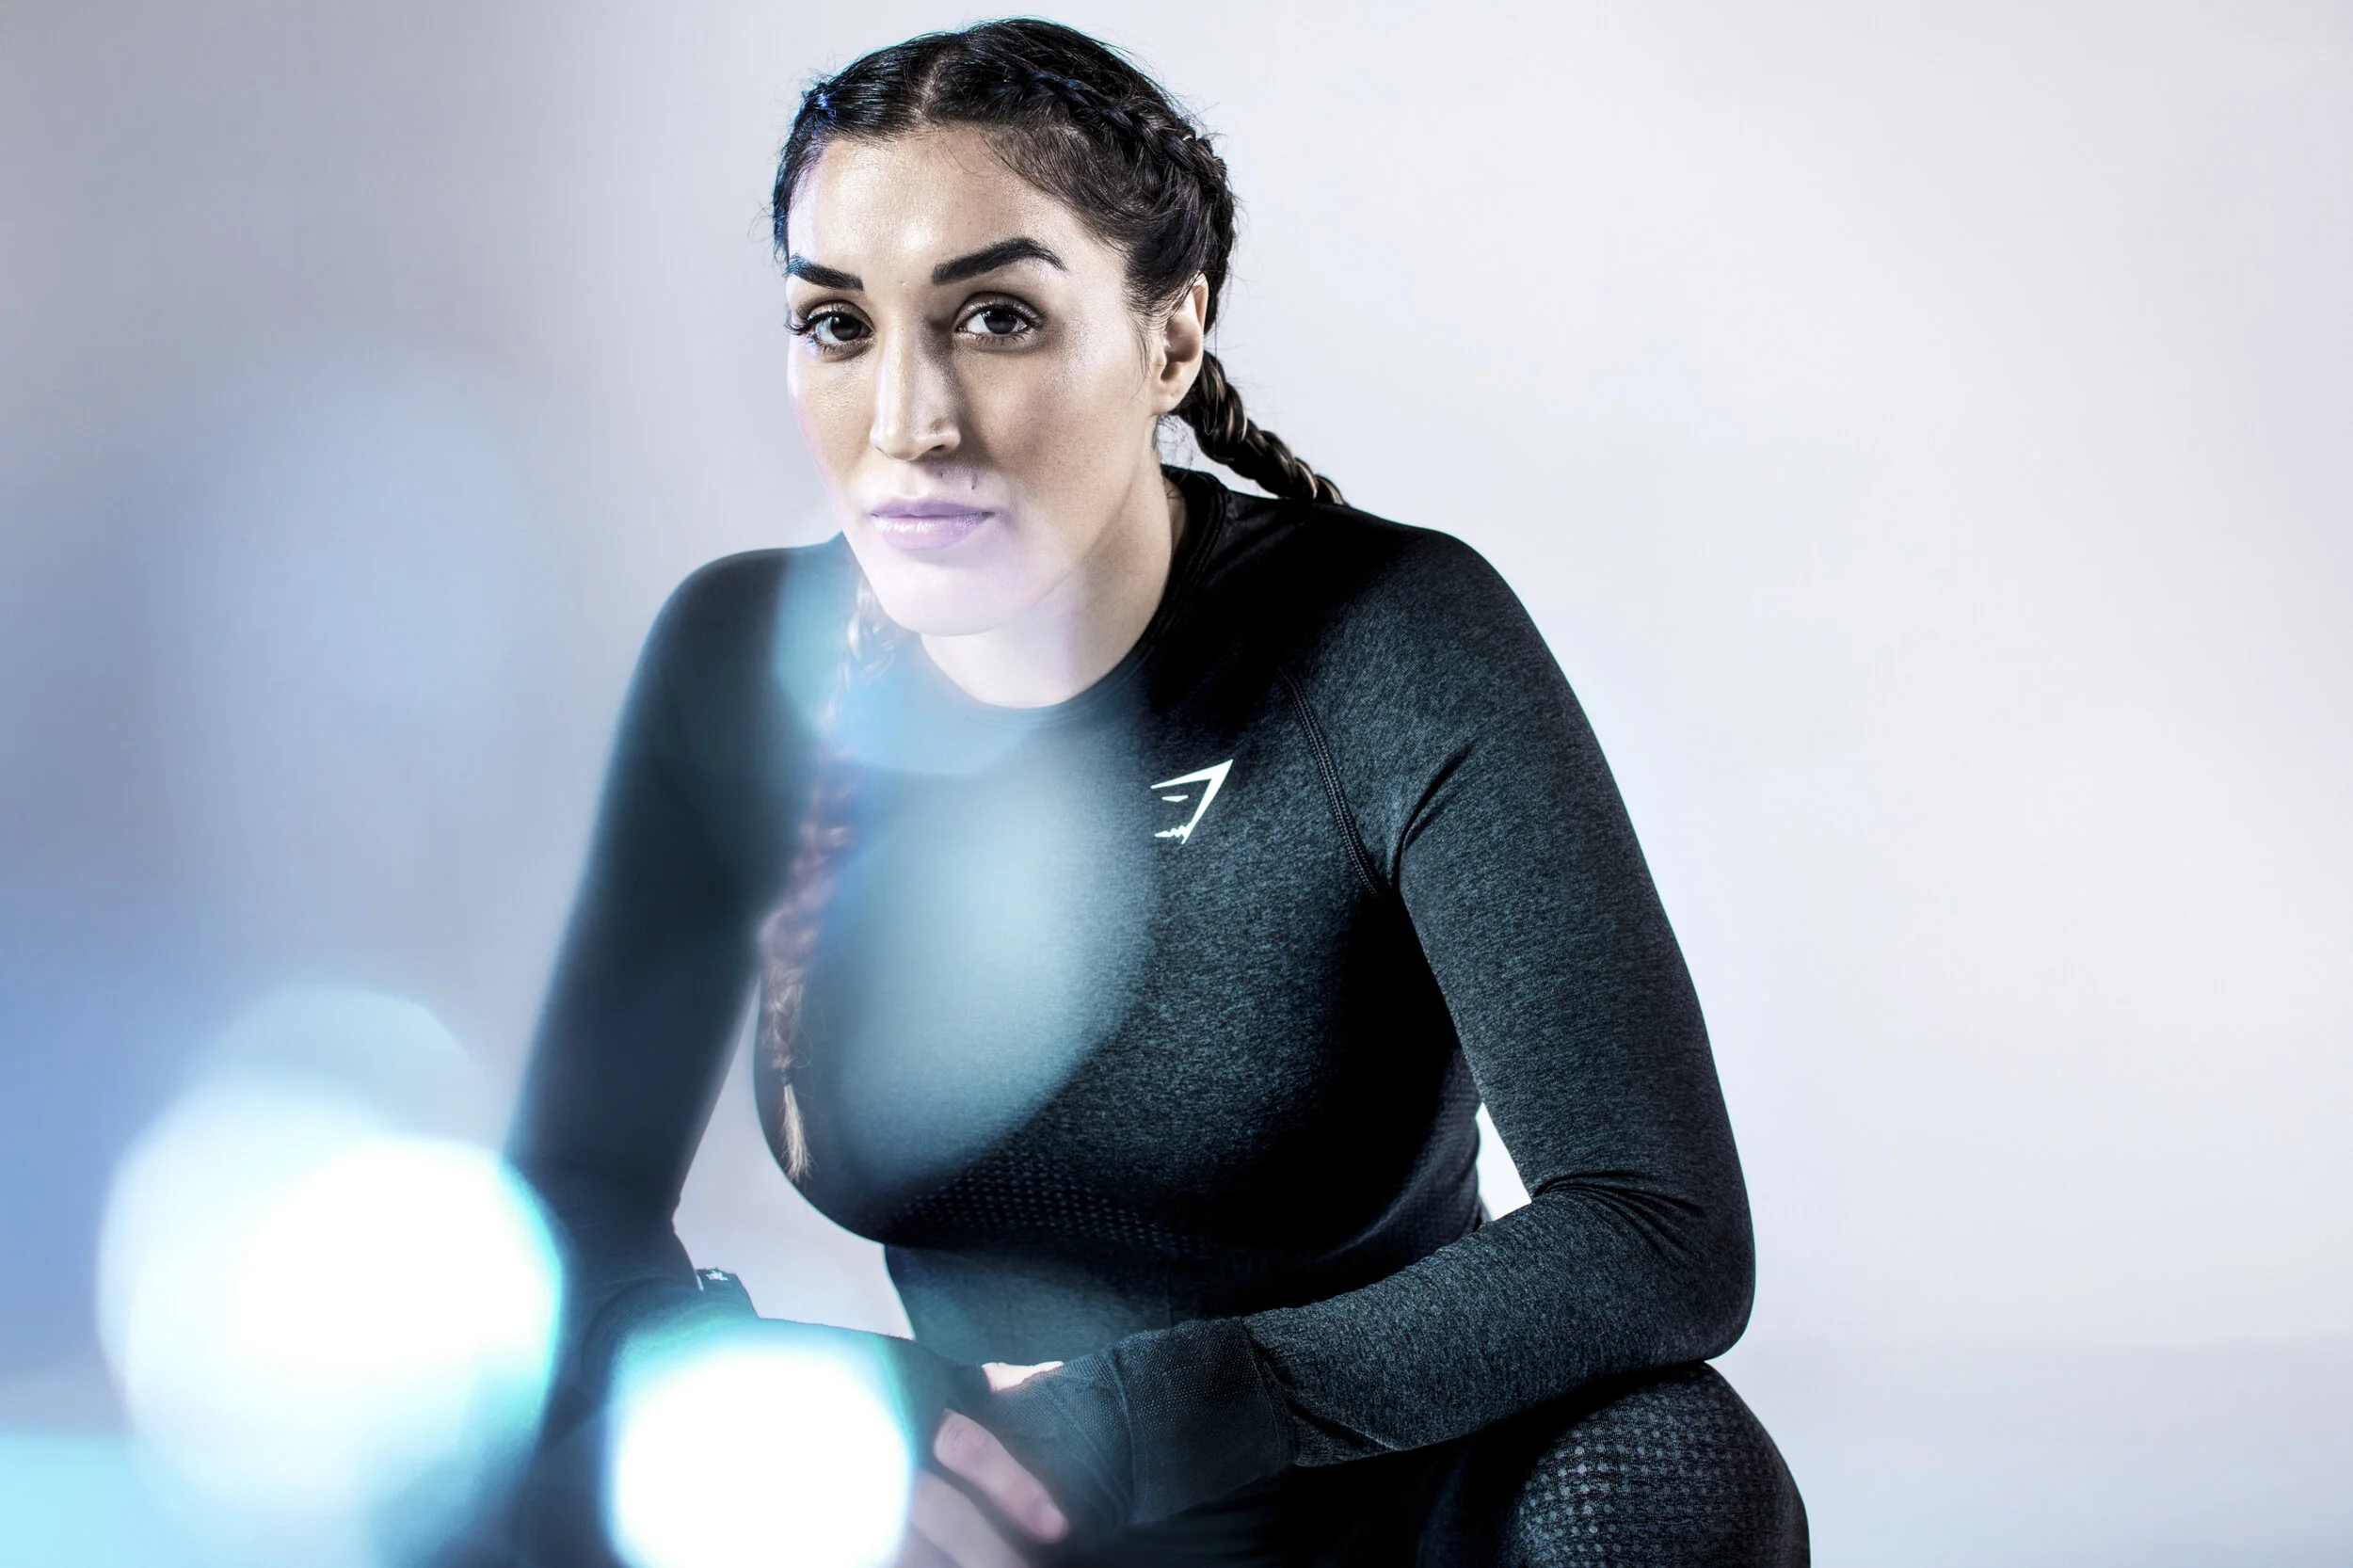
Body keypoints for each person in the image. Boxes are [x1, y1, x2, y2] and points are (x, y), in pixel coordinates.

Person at [505, 18, 1806, 1566]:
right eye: (838, 325)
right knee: (539, 1481)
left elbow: (1656, 1229)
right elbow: (569, 1215)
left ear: (1171, 341)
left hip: (1376, 1504)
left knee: (1667, 1476)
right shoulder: (743, 662)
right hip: (970, 1495)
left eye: (995, 317)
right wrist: (867, 1412)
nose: (910, 422)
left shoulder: (1390, 636)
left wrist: (1135, 1421)